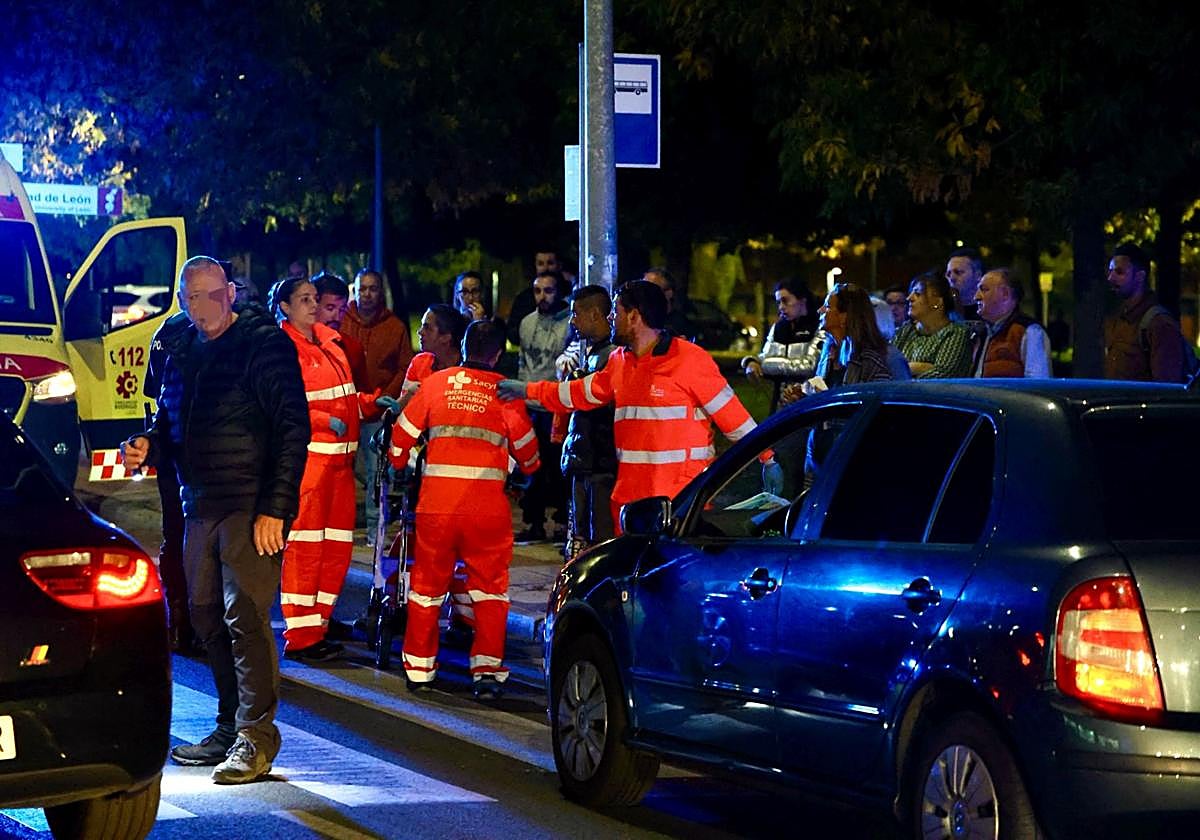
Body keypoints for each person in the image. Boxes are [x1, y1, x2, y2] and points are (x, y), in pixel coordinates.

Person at [121, 256, 309, 785]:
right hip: (198, 501)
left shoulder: (263, 344)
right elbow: (169, 420)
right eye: (189, 298)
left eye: (208, 296)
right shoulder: (180, 345)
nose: (199, 308)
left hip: (250, 504)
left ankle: (256, 735)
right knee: (203, 612)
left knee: (244, 615)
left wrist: (276, 508)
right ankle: (230, 727)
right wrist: (147, 447)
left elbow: (293, 427)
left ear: (230, 292)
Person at [501, 280, 775, 534]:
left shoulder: (690, 360)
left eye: (616, 312)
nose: (610, 318)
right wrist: (526, 390)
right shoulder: (620, 362)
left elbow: (734, 418)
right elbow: (576, 393)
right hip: (630, 504)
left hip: (680, 504)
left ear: (634, 316)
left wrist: (768, 459)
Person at [387, 320, 540, 698]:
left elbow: (401, 436)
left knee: (426, 588)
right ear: (498, 354)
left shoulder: (437, 383)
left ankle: (420, 671)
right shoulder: (505, 393)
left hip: (436, 507)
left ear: (465, 346)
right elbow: (530, 457)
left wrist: (400, 463)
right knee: (488, 592)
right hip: (486, 510)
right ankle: (486, 673)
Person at [269, 277, 390, 662]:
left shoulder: (330, 342)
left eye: (314, 298)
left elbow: (344, 398)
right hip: (310, 462)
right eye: (303, 299)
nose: (312, 304)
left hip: (340, 463)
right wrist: (322, 421)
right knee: (305, 550)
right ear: (285, 307)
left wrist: (373, 404)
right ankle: (301, 635)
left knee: (334, 547)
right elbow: (280, 405)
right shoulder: (283, 348)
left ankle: (319, 623)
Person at [341, 268, 414, 545]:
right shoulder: (343, 322)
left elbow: (403, 366)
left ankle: (375, 532)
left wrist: (388, 396)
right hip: (348, 407)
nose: (367, 294)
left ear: (380, 292)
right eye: (363, 289)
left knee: (375, 472)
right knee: (351, 467)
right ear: (355, 291)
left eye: (373, 289)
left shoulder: (394, 326)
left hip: (377, 411)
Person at [144, 310, 196, 654]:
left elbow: (153, 391)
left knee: (178, 536)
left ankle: (182, 621)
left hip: (178, 452)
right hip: (185, 454)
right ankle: (183, 619)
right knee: (181, 536)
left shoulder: (171, 329)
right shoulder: (180, 334)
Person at [557, 285, 618, 548]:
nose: (572, 321)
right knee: (582, 536)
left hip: (598, 465)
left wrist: (576, 384)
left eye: (576, 314)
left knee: (597, 539)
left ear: (594, 314)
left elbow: (597, 404)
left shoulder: (612, 356)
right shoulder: (594, 352)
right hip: (585, 462)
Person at [515, 271, 572, 542]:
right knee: (532, 466)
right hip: (532, 403)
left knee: (558, 466)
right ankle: (534, 520)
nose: (542, 297)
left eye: (548, 291)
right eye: (538, 291)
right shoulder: (527, 323)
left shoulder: (569, 323)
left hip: (555, 402)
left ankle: (561, 520)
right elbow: (524, 363)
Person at [1103, 243, 1191, 382]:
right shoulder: (1120, 318)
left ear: (1140, 277)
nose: (1110, 278)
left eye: (1119, 272)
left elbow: (1166, 389)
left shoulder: (1159, 324)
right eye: (1110, 271)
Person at [741, 277, 823, 411]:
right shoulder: (779, 327)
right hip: (779, 404)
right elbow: (765, 355)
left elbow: (809, 366)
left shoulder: (818, 326)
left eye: (785, 301)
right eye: (778, 302)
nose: (781, 307)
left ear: (802, 300)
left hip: (807, 403)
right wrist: (750, 362)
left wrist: (765, 365)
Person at [972, 268, 1052, 378]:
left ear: (1005, 294)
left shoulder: (1030, 331)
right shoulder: (981, 333)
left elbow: (1038, 383)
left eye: (984, 290)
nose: (976, 297)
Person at [815, 283, 899, 386]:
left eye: (827, 306)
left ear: (844, 316)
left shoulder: (870, 360)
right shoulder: (828, 353)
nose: (819, 310)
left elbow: (875, 398)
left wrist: (826, 398)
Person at [893, 272, 974, 378]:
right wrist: (921, 367)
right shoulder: (905, 330)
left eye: (917, 294)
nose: (909, 298)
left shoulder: (956, 333)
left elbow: (943, 374)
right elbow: (886, 367)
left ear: (937, 302)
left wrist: (906, 369)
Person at [314, 271, 368, 391]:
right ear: (314, 305)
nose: (337, 317)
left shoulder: (353, 348)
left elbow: (363, 395)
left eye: (342, 309)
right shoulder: (296, 347)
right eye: (330, 308)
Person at [506, 250, 570, 346]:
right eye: (540, 264)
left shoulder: (572, 296)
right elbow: (514, 334)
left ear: (559, 265)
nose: (545, 268)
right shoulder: (524, 300)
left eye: (550, 263)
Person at [642, 267, 696, 340]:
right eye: (643, 289)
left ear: (669, 293)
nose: (645, 294)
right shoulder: (638, 321)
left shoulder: (681, 325)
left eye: (652, 289)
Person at [946, 247, 985, 318]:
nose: (951, 278)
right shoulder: (944, 311)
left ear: (978, 275)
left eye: (958, 272)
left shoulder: (990, 309)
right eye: (948, 274)